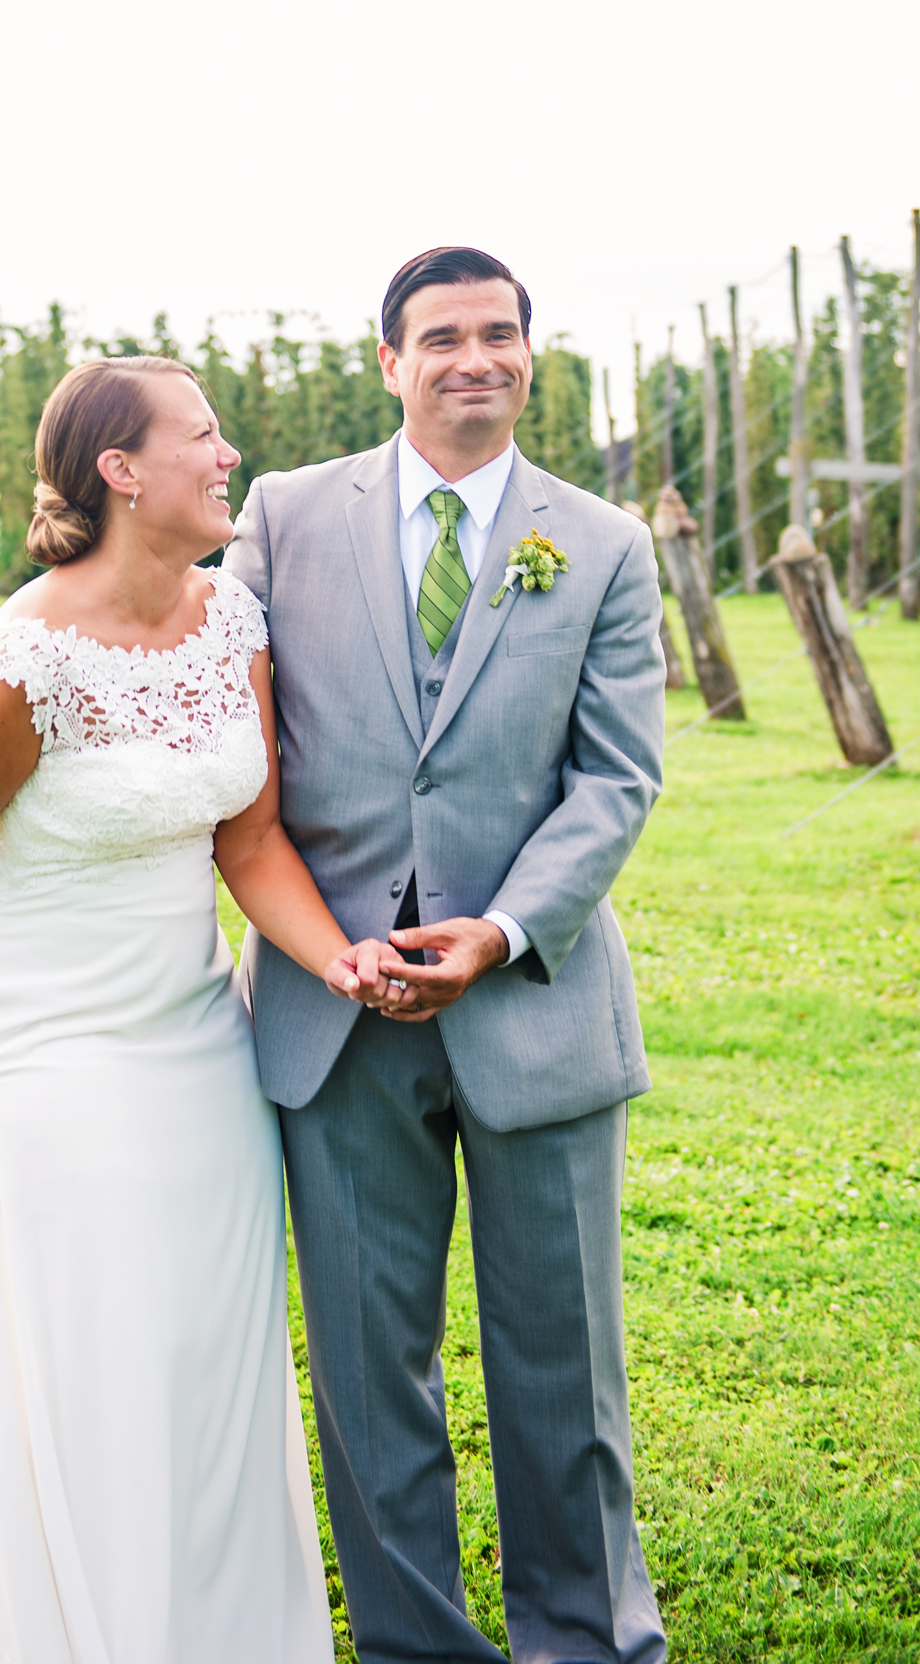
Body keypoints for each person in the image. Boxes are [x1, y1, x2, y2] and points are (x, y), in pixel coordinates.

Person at [0, 354, 364, 1664]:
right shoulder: (28, 659)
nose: (226, 457)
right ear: (119, 472)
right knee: (101, 1358)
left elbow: (249, 843)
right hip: (45, 1048)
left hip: (196, 1036)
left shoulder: (233, 623)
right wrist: (15, 954)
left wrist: (338, 965)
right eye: (201, 436)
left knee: (207, 1354)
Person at [224, 245, 669, 1664]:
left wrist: (494, 932)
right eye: (441, 336)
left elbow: (613, 781)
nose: (472, 358)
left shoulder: (596, 543)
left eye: (499, 334)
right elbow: (216, 718)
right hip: (330, 1013)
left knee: (564, 1375)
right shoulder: (285, 518)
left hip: (533, 1012)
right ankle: (417, 1648)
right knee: (368, 1377)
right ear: (387, 361)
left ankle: (585, 1640)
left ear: (530, 354)